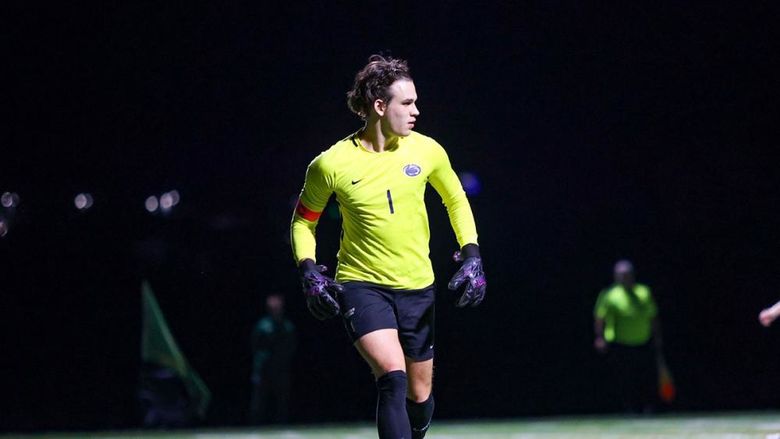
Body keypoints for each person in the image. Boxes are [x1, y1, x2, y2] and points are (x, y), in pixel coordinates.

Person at [290, 54, 486, 439]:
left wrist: (472, 254)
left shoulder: (427, 150)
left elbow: (456, 200)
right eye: (407, 103)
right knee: (392, 378)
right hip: (362, 285)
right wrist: (308, 268)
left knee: (419, 394)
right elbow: (302, 221)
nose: (417, 111)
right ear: (380, 106)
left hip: (417, 286)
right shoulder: (330, 164)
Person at [593, 259, 662, 413]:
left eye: (627, 274)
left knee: (646, 377)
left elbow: (653, 316)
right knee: (624, 379)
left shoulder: (644, 292)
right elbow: (600, 318)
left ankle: (649, 408)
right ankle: (628, 408)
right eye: (620, 275)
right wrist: (599, 338)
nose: (624, 277)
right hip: (620, 343)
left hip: (643, 341)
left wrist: (657, 337)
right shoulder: (609, 295)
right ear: (615, 276)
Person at [249, 293, 297, 424]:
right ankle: (255, 426)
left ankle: (282, 425)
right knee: (259, 401)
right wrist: (257, 370)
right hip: (264, 369)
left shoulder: (287, 326)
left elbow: (291, 347)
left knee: (282, 401)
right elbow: (255, 347)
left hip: (281, 369)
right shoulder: (262, 326)